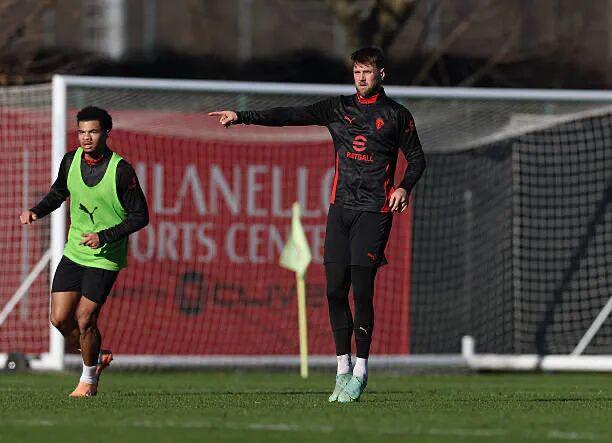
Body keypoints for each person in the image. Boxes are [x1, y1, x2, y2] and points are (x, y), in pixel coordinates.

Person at [209, 47, 425, 402]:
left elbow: (416, 159)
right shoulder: (338, 108)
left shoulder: (396, 115)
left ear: (381, 74)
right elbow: (289, 115)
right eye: (357, 71)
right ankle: (342, 368)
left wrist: (404, 187)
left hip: (374, 211)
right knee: (334, 290)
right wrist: (242, 116)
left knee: (362, 290)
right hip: (340, 210)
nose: (361, 78)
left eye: (367, 71)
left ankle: (361, 371)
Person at [20, 106, 149, 397]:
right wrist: (36, 211)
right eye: (81, 132)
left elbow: (140, 216)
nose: (86, 138)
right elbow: (58, 193)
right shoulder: (70, 161)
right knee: (59, 319)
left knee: (86, 317)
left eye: (92, 132)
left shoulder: (121, 171)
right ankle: (96, 355)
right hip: (75, 252)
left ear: (106, 133)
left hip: (106, 257)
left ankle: (88, 380)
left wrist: (104, 236)